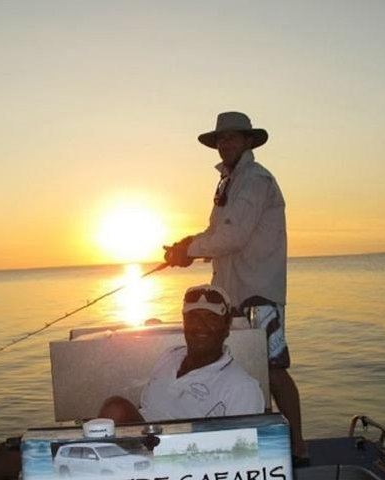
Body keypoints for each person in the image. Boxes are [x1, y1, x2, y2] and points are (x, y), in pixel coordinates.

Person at [162, 111, 308, 463]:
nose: (225, 143)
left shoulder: (255, 179)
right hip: (234, 292)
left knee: (272, 368)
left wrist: (190, 251)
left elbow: (234, 236)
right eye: (220, 139)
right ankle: (263, 441)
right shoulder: (231, 180)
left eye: (232, 137)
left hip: (259, 292)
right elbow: (219, 234)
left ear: (247, 141)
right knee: (246, 366)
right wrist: (188, 245)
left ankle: (298, 445)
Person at [99, 284, 265, 422]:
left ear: (227, 326)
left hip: (185, 456)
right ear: (184, 323)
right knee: (114, 410)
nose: (201, 326)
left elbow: (247, 451)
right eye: (193, 317)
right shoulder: (170, 356)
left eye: (211, 318)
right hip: (140, 445)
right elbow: (145, 408)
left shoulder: (242, 388)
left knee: (116, 408)